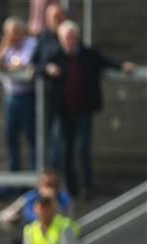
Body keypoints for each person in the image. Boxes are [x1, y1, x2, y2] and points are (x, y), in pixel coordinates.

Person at [44, 20, 135, 198]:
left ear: (77, 38)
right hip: (64, 111)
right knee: (66, 152)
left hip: (83, 110)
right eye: (65, 38)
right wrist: (47, 68)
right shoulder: (55, 56)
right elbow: (39, 65)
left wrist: (122, 65)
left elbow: (106, 61)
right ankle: (71, 188)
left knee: (83, 149)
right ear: (60, 39)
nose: (69, 41)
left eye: (71, 37)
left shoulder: (88, 54)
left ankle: (87, 186)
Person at [0, 17, 38, 173]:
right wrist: (4, 46)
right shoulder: (6, 45)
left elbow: (24, 65)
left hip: (29, 96)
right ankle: (12, 176)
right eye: (9, 33)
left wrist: (5, 66)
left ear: (22, 32)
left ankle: (32, 175)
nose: (13, 37)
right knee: (10, 138)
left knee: (31, 138)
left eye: (15, 33)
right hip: (11, 97)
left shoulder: (31, 44)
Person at [29, 4, 66, 169]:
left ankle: (60, 175)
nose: (55, 20)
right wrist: (46, 68)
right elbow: (34, 63)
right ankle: (50, 173)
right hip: (47, 96)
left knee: (61, 138)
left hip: (66, 96)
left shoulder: (67, 36)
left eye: (58, 17)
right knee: (49, 136)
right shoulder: (44, 38)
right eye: (51, 17)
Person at [1, 168, 72, 228]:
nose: (48, 188)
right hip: (31, 239)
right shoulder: (30, 197)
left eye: (52, 185)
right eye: (45, 184)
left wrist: (53, 200)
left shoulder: (63, 199)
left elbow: (66, 221)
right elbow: (7, 216)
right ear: (39, 185)